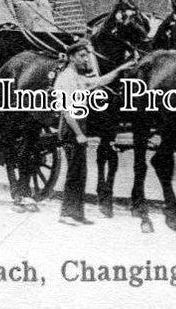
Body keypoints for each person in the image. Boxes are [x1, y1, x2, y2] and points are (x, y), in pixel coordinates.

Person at [53, 39, 135, 225]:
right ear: (72, 58)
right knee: (74, 172)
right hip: (71, 129)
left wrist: (121, 69)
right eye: (82, 56)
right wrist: (79, 134)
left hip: (79, 127)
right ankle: (66, 214)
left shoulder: (78, 77)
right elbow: (67, 112)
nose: (86, 60)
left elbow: (99, 81)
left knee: (81, 172)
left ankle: (77, 214)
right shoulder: (66, 78)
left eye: (86, 56)